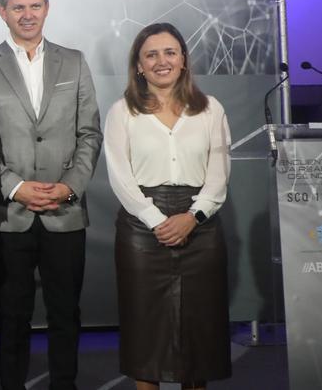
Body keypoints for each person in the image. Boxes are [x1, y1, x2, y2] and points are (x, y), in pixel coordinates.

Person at [0, 0, 102, 390]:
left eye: (35, 5)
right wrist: (14, 186)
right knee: (13, 314)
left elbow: (89, 133)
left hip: (65, 209)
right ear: (2, 11)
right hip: (11, 213)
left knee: (65, 313)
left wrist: (70, 186)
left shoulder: (74, 60)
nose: (28, 15)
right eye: (18, 7)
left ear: (47, 6)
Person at [104, 22, 231, 390]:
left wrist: (193, 217)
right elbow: (120, 177)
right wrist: (158, 221)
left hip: (200, 229)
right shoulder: (122, 112)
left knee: (198, 335)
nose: (162, 61)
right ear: (139, 66)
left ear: (184, 60)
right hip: (141, 233)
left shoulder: (210, 109)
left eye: (170, 52)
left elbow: (219, 175)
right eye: (152, 54)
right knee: (147, 335)